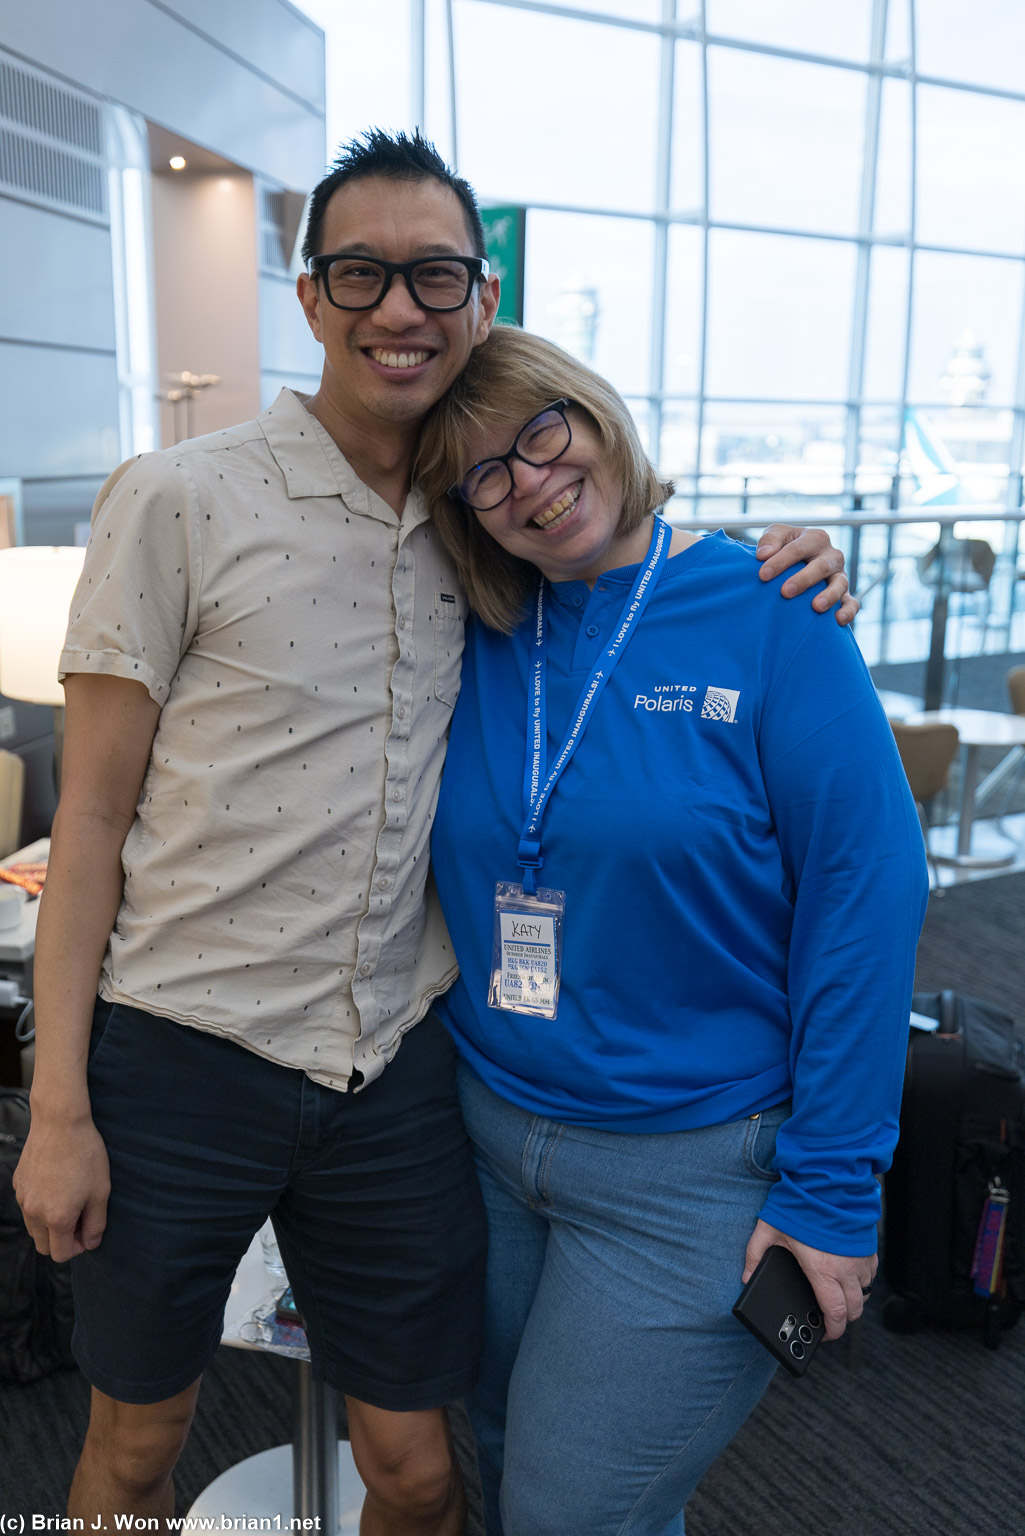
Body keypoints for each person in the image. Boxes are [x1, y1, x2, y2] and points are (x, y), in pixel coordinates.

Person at [13, 130, 855, 1533]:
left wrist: (782, 562)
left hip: (395, 1069)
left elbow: (617, 568)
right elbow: (87, 820)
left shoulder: (481, 532)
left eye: (433, 274)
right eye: (362, 273)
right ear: (310, 297)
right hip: (180, 1054)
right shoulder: (179, 499)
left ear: (480, 293)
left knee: (416, 1469)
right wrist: (58, 1109)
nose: (399, 306)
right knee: (135, 1447)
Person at [414, 324, 929, 1536]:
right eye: (483, 474)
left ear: (595, 418)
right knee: (496, 1452)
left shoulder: (771, 608)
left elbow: (867, 898)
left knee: (569, 1509)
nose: (527, 482)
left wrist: (836, 1189)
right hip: (486, 1140)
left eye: (542, 434)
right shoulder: (481, 629)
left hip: (693, 1169)